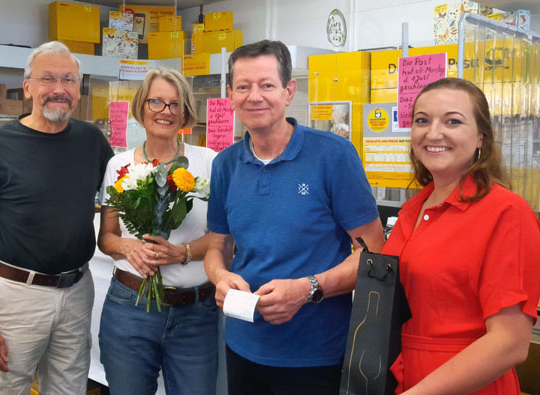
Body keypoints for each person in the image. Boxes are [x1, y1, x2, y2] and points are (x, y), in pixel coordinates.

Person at [205, 40, 384, 394]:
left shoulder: (332, 155)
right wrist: (220, 276)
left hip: (316, 355)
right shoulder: (225, 164)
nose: (254, 96)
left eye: (266, 85)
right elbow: (217, 246)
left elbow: (374, 253)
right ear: (230, 94)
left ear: (289, 92)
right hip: (243, 345)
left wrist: (308, 289)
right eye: (243, 86)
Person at [0, 41, 113, 394]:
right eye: (48, 79)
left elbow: (118, 201)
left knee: (69, 389)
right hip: (14, 295)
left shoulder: (92, 142)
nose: (59, 89)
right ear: (28, 87)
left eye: (69, 79)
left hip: (76, 292)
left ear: (78, 88)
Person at [383, 78, 540, 394]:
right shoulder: (413, 210)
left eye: (452, 121)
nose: (434, 133)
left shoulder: (506, 212)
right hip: (404, 377)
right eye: (422, 121)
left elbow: (510, 343)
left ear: (481, 136)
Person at [97, 67, 219, 395]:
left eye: (174, 104)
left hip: (195, 313)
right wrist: (128, 247)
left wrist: (183, 252)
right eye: (156, 102)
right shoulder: (119, 166)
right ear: (142, 107)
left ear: (185, 113)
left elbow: (227, 237)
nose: (164, 111)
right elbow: (106, 237)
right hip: (130, 309)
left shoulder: (208, 162)